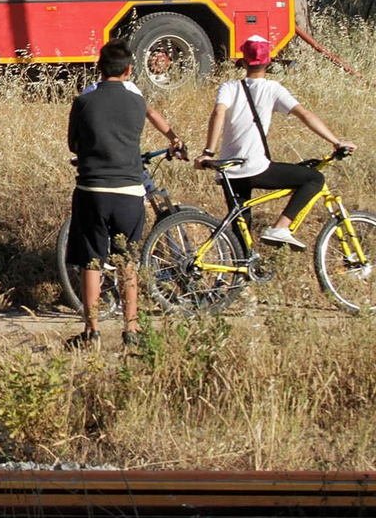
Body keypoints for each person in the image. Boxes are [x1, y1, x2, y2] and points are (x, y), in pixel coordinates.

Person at [64, 41, 181, 348]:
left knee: (91, 262)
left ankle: (92, 331)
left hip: (92, 190)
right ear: (129, 70)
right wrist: (173, 137)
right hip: (130, 191)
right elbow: (153, 115)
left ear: (98, 68)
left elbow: (73, 145)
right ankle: (132, 330)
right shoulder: (136, 100)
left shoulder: (83, 101)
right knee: (126, 259)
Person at [196, 35, 356, 248]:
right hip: (255, 167)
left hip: (229, 170)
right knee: (314, 179)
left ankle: (242, 272)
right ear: (269, 62)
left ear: (243, 61)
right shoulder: (272, 88)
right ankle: (280, 227)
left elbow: (218, 113)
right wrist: (336, 141)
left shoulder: (229, 87)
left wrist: (208, 151)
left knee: (241, 228)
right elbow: (305, 115)